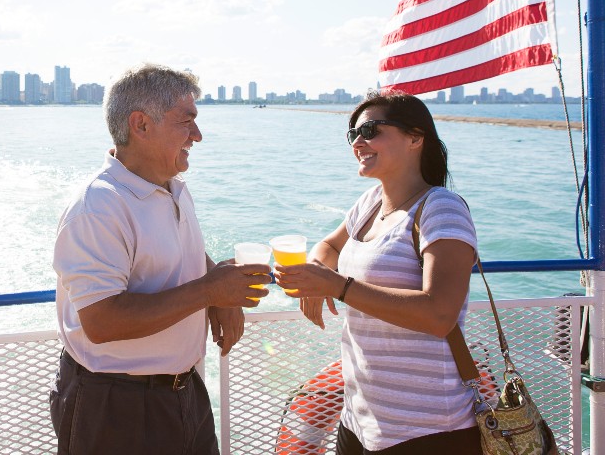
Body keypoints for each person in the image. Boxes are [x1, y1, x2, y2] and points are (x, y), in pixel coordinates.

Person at [49, 63, 270, 455]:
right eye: (187, 122)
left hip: (184, 393)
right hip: (117, 407)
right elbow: (101, 321)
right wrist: (209, 292)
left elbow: (179, 250)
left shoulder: (172, 188)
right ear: (141, 125)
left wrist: (218, 289)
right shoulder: (98, 206)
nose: (198, 136)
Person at [274, 91, 483, 454]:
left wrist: (338, 286)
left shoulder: (442, 209)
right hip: (358, 419)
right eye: (353, 133)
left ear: (416, 138)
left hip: (426, 427)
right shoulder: (370, 203)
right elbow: (329, 246)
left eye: (370, 130)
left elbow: (440, 313)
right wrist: (318, 278)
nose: (358, 141)